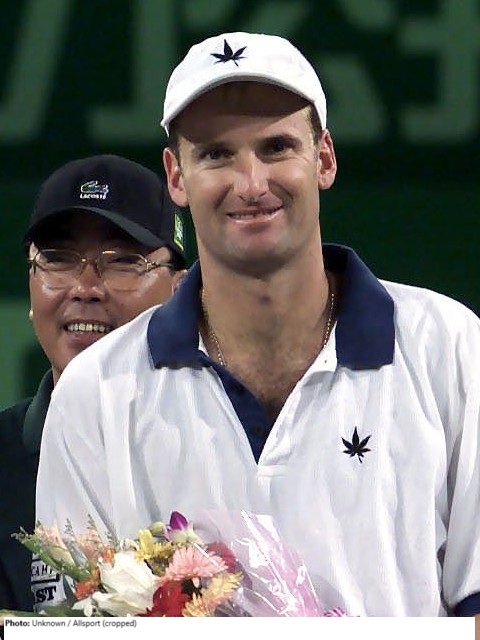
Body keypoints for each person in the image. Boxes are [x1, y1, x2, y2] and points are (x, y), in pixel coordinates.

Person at [34, 33, 480, 617]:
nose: (250, 184)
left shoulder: (451, 348)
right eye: (216, 154)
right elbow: (74, 625)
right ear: (176, 176)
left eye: (276, 147)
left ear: (324, 158)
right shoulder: (93, 394)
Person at [0, 153, 186, 612]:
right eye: (58, 260)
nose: (85, 287)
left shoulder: (218, 447)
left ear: (180, 290)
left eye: (123, 261)